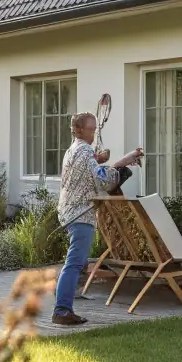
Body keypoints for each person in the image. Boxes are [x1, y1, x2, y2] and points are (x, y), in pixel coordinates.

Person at [53, 112, 143, 326]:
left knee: (79, 263)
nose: (94, 133)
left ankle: (63, 297)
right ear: (78, 129)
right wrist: (122, 162)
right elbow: (105, 181)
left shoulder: (72, 149)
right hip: (81, 213)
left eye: (95, 129)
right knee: (74, 263)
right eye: (90, 129)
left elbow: (85, 170)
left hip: (67, 211)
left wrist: (99, 160)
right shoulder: (85, 151)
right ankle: (62, 311)